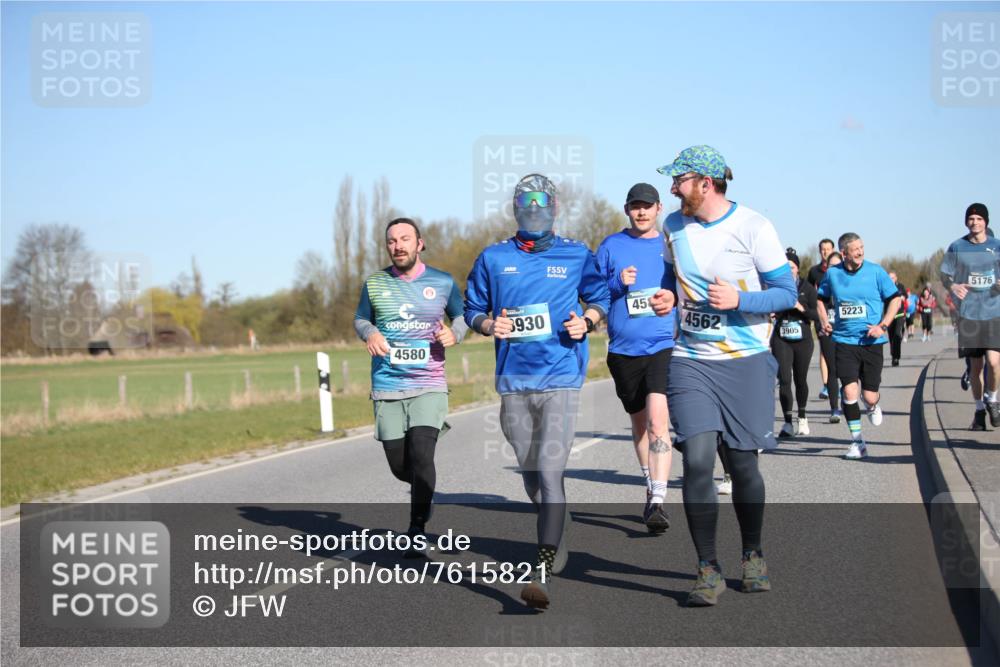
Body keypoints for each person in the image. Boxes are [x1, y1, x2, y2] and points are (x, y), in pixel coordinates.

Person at [649, 145, 797, 606]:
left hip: (745, 360)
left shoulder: (754, 226)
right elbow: (670, 279)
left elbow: (785, 293)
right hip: (691, 359)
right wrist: (667, 298)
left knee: (742, 464)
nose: (673, 189)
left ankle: (752, 554)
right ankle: (707, 568)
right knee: (697, 460)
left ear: (705, 183)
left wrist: (740, 301)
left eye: (679, 181)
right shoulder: (673, 226)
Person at [464, 173, 610, 609]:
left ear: (554, 209)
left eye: (541, 206)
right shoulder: (493, 258)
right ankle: (557, 530)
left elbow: (600, 296)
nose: (534, 213)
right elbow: (473, 308)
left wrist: (587, 321)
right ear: (515, 210)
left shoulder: (575, 254)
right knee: (533, 481)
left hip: (560, 376)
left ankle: (541, 570)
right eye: (526, 206)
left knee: (549, 472)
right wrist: (488, 324)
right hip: (514, 382)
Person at [354, 218, 468, 555]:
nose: (398, 245)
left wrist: (455, 334)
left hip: (429, 383)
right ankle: (424, 492)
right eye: (392, 241)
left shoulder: (442, 281)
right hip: (387, 384)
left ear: (420, 243)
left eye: (405, 239)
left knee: (421, 454)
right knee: (400, 465)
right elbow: (361, 318)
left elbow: (462, 317)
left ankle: (416, 528)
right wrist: (370, 332)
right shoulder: (375, 283)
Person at [596, 183, 675, 533]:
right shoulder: (611, 246)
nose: (641, 212)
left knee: (658, 422)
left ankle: (658, 499)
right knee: (640, 424)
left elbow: (686, 286)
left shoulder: (670, 246)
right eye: (635, 206)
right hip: (623, 350)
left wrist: (673, 298)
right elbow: (592, 293)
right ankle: (649, 482)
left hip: (662, 344)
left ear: (659, 208)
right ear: (627, 209)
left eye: (647, 206)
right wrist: (617, 281)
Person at [817, 233, 901, 459]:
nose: (860, 252)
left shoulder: (876, 272)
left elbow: (895, 299)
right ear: (844, 253)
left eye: (862, 247)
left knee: (870, 396)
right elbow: (820, 299)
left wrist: (883, 325)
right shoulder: (833, 274)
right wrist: (824, 320)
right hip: (844, 341)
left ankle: (872, 406)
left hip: (872, 342)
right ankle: (857, 442)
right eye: (855, 249)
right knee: (849, 390)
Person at [940, 203, 1000, 431]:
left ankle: (992, 399)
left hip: (994, 311)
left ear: (986, 222)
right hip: (969, 314)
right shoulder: (957, 246)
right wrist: (953, 286)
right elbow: (944, 275)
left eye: (979, 219)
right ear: (966, 222)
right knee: (975, 367)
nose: (975, 222)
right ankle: (979, 410)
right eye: (971, 219)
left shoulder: (996, 246)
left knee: (994, 362)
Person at [771, 249, 819, 437]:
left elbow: (816, 315)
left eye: (791, 267)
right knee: (784, 380)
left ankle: (803, 417)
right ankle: (788, 423)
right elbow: (768, 307)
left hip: (803, 340)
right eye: (785, 267)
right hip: (781, 339)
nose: (788, 270)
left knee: (800, 379)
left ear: (797, 268)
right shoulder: (776, 288)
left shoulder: (807, 288)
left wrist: (800, 307)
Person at [817, 251, 844, 422]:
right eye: (831, 266)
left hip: (847, 332)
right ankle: (835, 409)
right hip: (828, 332)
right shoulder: (823, 285)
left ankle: (848, 399)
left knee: (848, 371)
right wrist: (822, 324)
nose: (834, 269)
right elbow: (817, 306)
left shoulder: (850, 284)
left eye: (837, 265)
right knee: (832, 371)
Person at [808, 239, 836, 401]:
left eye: (828, 249)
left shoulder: (840, 268)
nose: (826, 252)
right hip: (822, 314)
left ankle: (839, 382)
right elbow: (809, 292)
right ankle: (826, 384)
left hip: (838, 314)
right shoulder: (814, 272)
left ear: (833, 250)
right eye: (823, 249)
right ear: (820, 251)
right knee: (824, 350)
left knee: (840, 350)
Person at [887, 272, 907, 367]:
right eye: (889, 278)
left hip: (899, 314)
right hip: (889, 316)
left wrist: (902, 297)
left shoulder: (900, 286)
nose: (890, 279)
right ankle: (893, 354)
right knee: (891, 336)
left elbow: (905, 296)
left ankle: (896, 357)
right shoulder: (885, 287)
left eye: (892, 278)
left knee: (897, 335)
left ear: (896, 278)